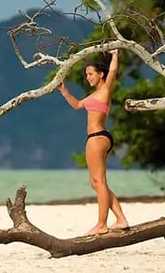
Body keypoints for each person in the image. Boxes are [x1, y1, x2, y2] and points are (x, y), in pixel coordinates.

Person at [58, 49, 129, 236]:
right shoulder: (92, 96)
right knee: (96, 182)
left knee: (99, 181)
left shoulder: (105, 89)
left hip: (98, 137)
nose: (87, 77)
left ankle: (101, 224)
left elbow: (113, 72)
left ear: (100, 74)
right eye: (86, 74)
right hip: (96, 137)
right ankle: (121, 219)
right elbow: (77, 105)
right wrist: (65, 92)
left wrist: (115, 54)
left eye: (90, 74)